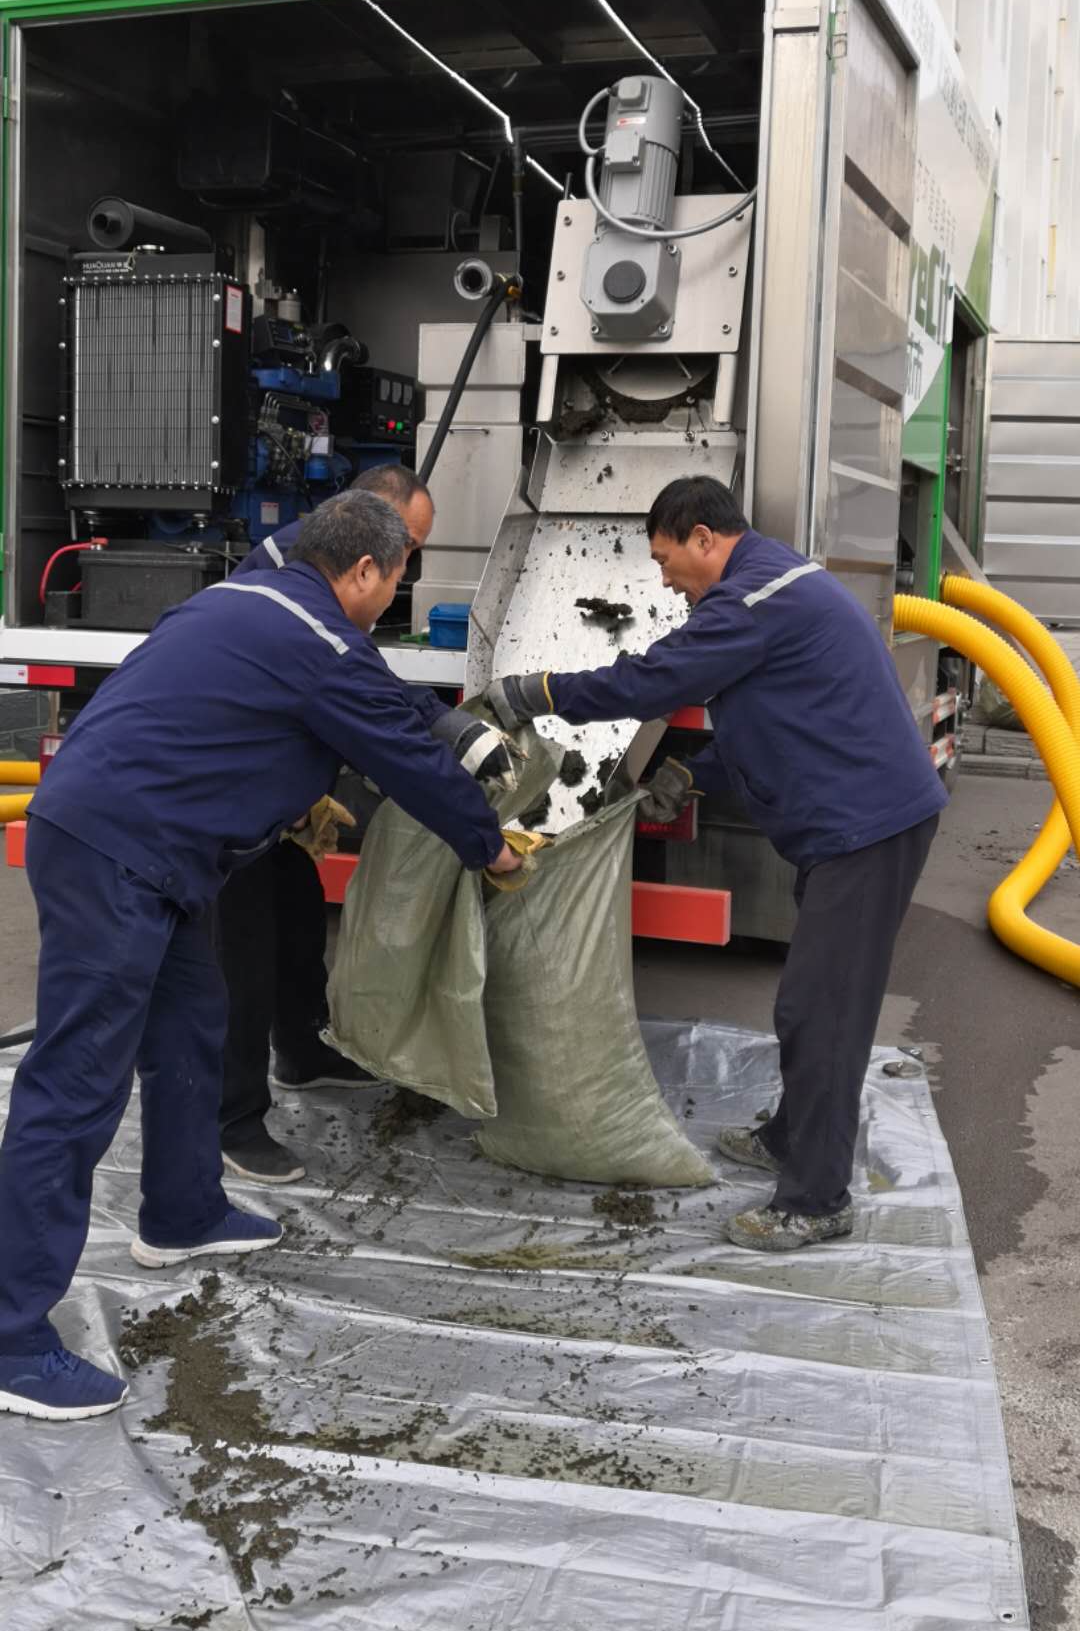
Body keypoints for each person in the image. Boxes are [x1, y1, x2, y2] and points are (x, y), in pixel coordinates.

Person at [0, 492, 520, 1421]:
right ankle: (10, 1337)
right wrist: (493, 847)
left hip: (149, 850)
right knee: (75, 1082)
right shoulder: (318, 643)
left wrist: (297, 792)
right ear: (362, 570)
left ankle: (182, 1210)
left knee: (196, 1022)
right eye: (395, 581)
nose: (388, 602)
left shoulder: (250, 597)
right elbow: (406, 755)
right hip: (117, 853)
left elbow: (272, 717)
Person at [485, 475, 945, 1255]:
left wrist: (541, 690)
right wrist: (693, 776)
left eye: (667, 559)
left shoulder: (754, 601)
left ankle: (816, 1198)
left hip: (864, 828)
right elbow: (772, 713)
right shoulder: (773, 585)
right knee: (817, 1001)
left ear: (705, 538)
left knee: (820, 1010)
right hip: (847, 821)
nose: (664, 578)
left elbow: (654, 680)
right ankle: (791, 1138)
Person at [217, 465, 513, 1184]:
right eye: (406, 546)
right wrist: (486, 841)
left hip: (269, 787)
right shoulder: (290, 573)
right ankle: (232, 1121)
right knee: (240, 954)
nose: (406, 565)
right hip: (223, 803)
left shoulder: (324, 576)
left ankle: (303, 1049)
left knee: (294, 913)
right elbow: (358, 697)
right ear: (362, 528)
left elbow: (355, 675)